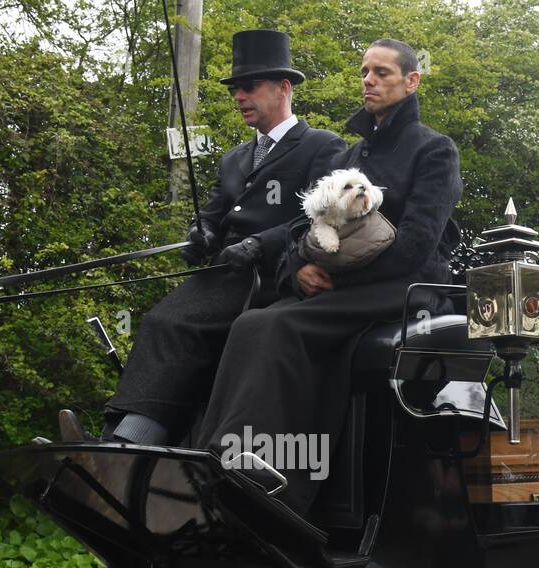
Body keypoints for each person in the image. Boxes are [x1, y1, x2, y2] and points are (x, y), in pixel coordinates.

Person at [194, 38, 463, 516]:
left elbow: (418, 243)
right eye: (365, 72)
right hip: (345, 286)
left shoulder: (435, 150)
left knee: (280, 326)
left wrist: (337, 277)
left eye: (382, 73)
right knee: (250, 323)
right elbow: (303, 226)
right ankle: (214, 458)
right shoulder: (351, 153)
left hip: (404, 290)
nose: (370, 81)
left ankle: (273, 484)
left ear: (411, 81)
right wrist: (300, 270)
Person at [71, 30, 346, 446]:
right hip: (221, 275)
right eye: (236, 88)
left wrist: (260, 244)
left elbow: (321, 218)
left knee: (175, 322)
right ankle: (124, 435)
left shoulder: (321, 146)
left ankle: (130, 442)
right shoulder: (233, 158)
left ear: (284, 88)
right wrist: (199, 233)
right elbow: (214, 212)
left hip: (272, 276)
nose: (239, 96)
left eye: (249, 86)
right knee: (161, 319)